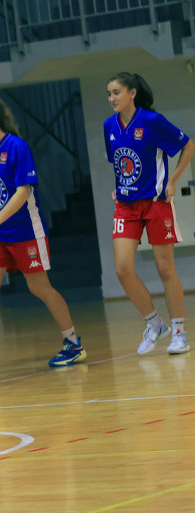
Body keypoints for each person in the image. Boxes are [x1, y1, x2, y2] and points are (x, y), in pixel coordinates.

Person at [0, 95, 87, 368]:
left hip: (25, 231)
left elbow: (23, 192)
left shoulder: (17, 147)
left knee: (40, 287)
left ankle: (73, 343)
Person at [105, 72, 193, 354]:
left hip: (156, 203)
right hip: (126, 206)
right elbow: (120, 161)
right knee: (122, 269)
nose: (112, 98)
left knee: (165, 268)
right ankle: (155, 324)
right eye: (109, 94)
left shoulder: (152, 121)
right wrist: (119, 186)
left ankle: (179, 332)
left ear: (132, 93)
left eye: (116, 92)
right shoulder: (109, 125)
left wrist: (172, 180)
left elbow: (188, 145)